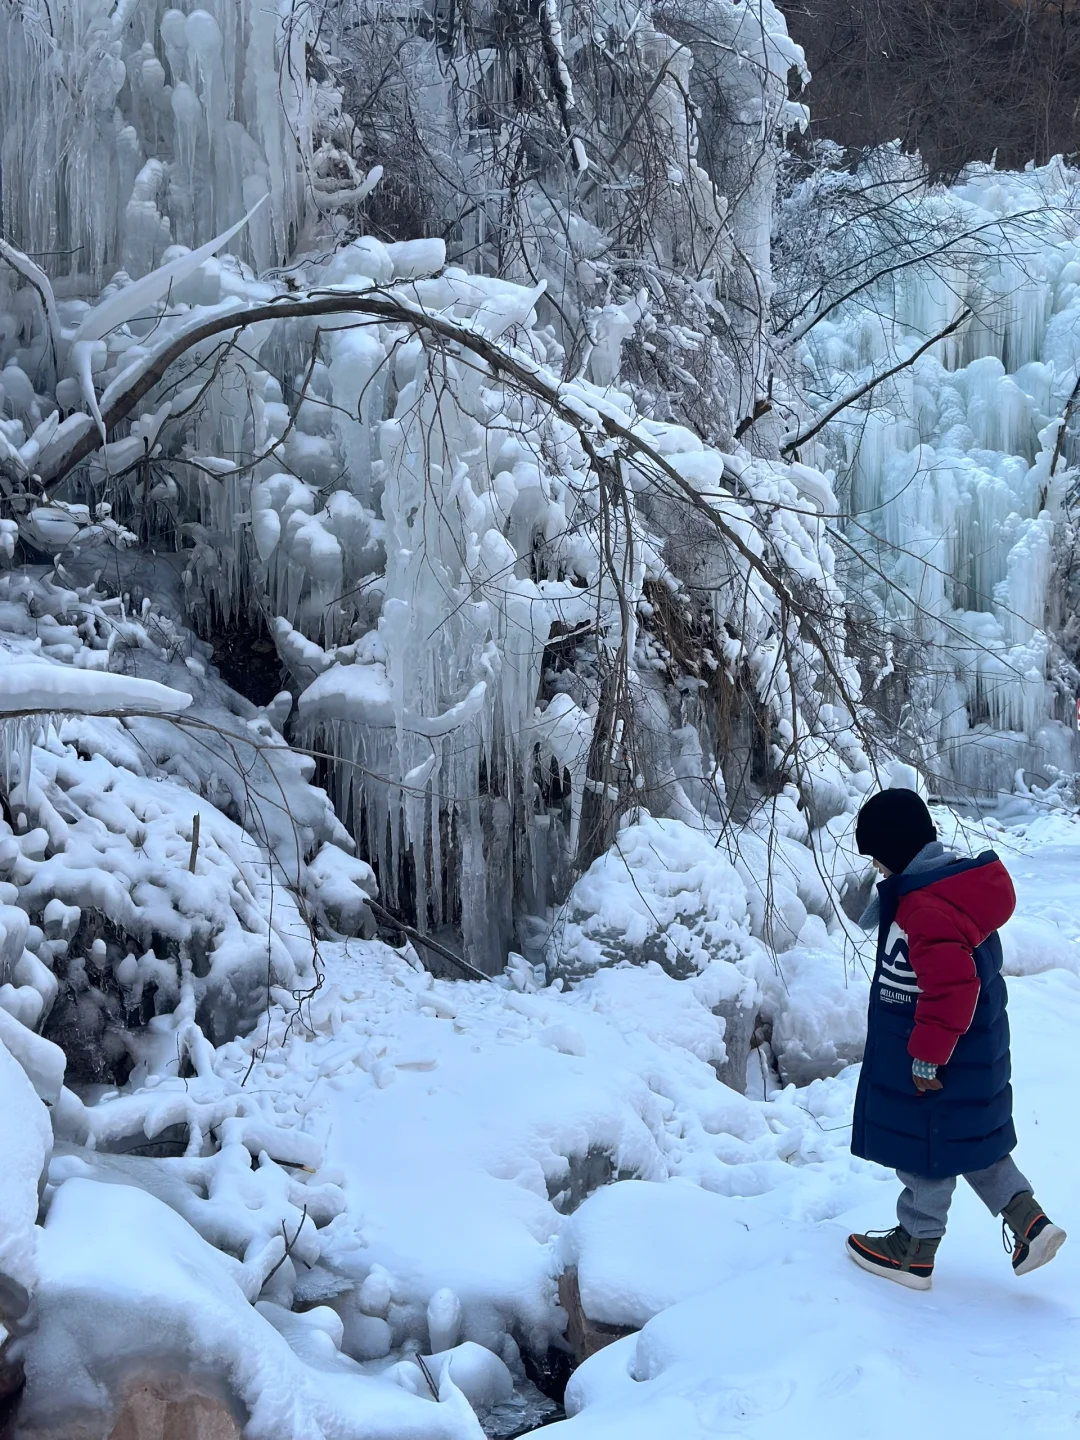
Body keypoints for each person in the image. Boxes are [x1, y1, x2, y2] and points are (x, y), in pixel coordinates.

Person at [845, 787, 1066, 1290]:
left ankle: (913, 1250)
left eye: (878, 857)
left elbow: (953, 986)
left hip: (940, 1057)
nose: (877, 868)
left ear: (896, 851)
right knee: (974, 1144)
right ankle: (1030, 1223)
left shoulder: (925, 909)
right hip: (972, 1052)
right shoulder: (950, 888)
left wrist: (926, 1057)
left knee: (927, 1147)